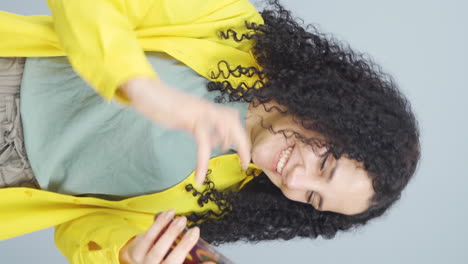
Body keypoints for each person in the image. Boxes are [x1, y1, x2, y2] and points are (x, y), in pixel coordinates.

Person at [0, 0, 420, 263]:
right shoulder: (230, 23)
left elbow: (78, 227)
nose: (295, 180)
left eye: (313, 198)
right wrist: (139, 86)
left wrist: (125, 254)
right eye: (324, 162)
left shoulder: (224, 201)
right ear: (335, 112)